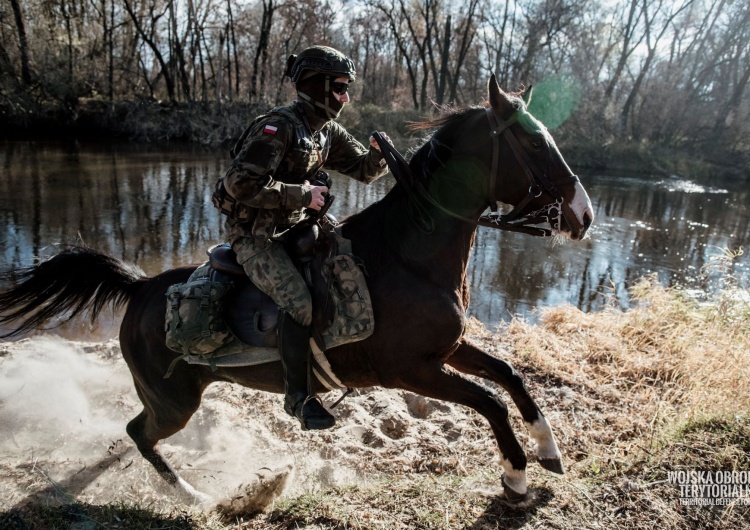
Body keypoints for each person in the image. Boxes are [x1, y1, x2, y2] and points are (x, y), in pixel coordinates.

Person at [213, 45, 390, 430]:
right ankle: (297, 398)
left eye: (347, 89)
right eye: (341, 88)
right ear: (319, 86)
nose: (346, 97)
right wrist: (301, 195)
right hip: (256, 239)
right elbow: (239, 184)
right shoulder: (278, 127)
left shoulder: (326, 132)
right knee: (299, 304)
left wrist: (378, 155)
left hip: (296, 228)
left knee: (352, 267)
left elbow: (362, 170)